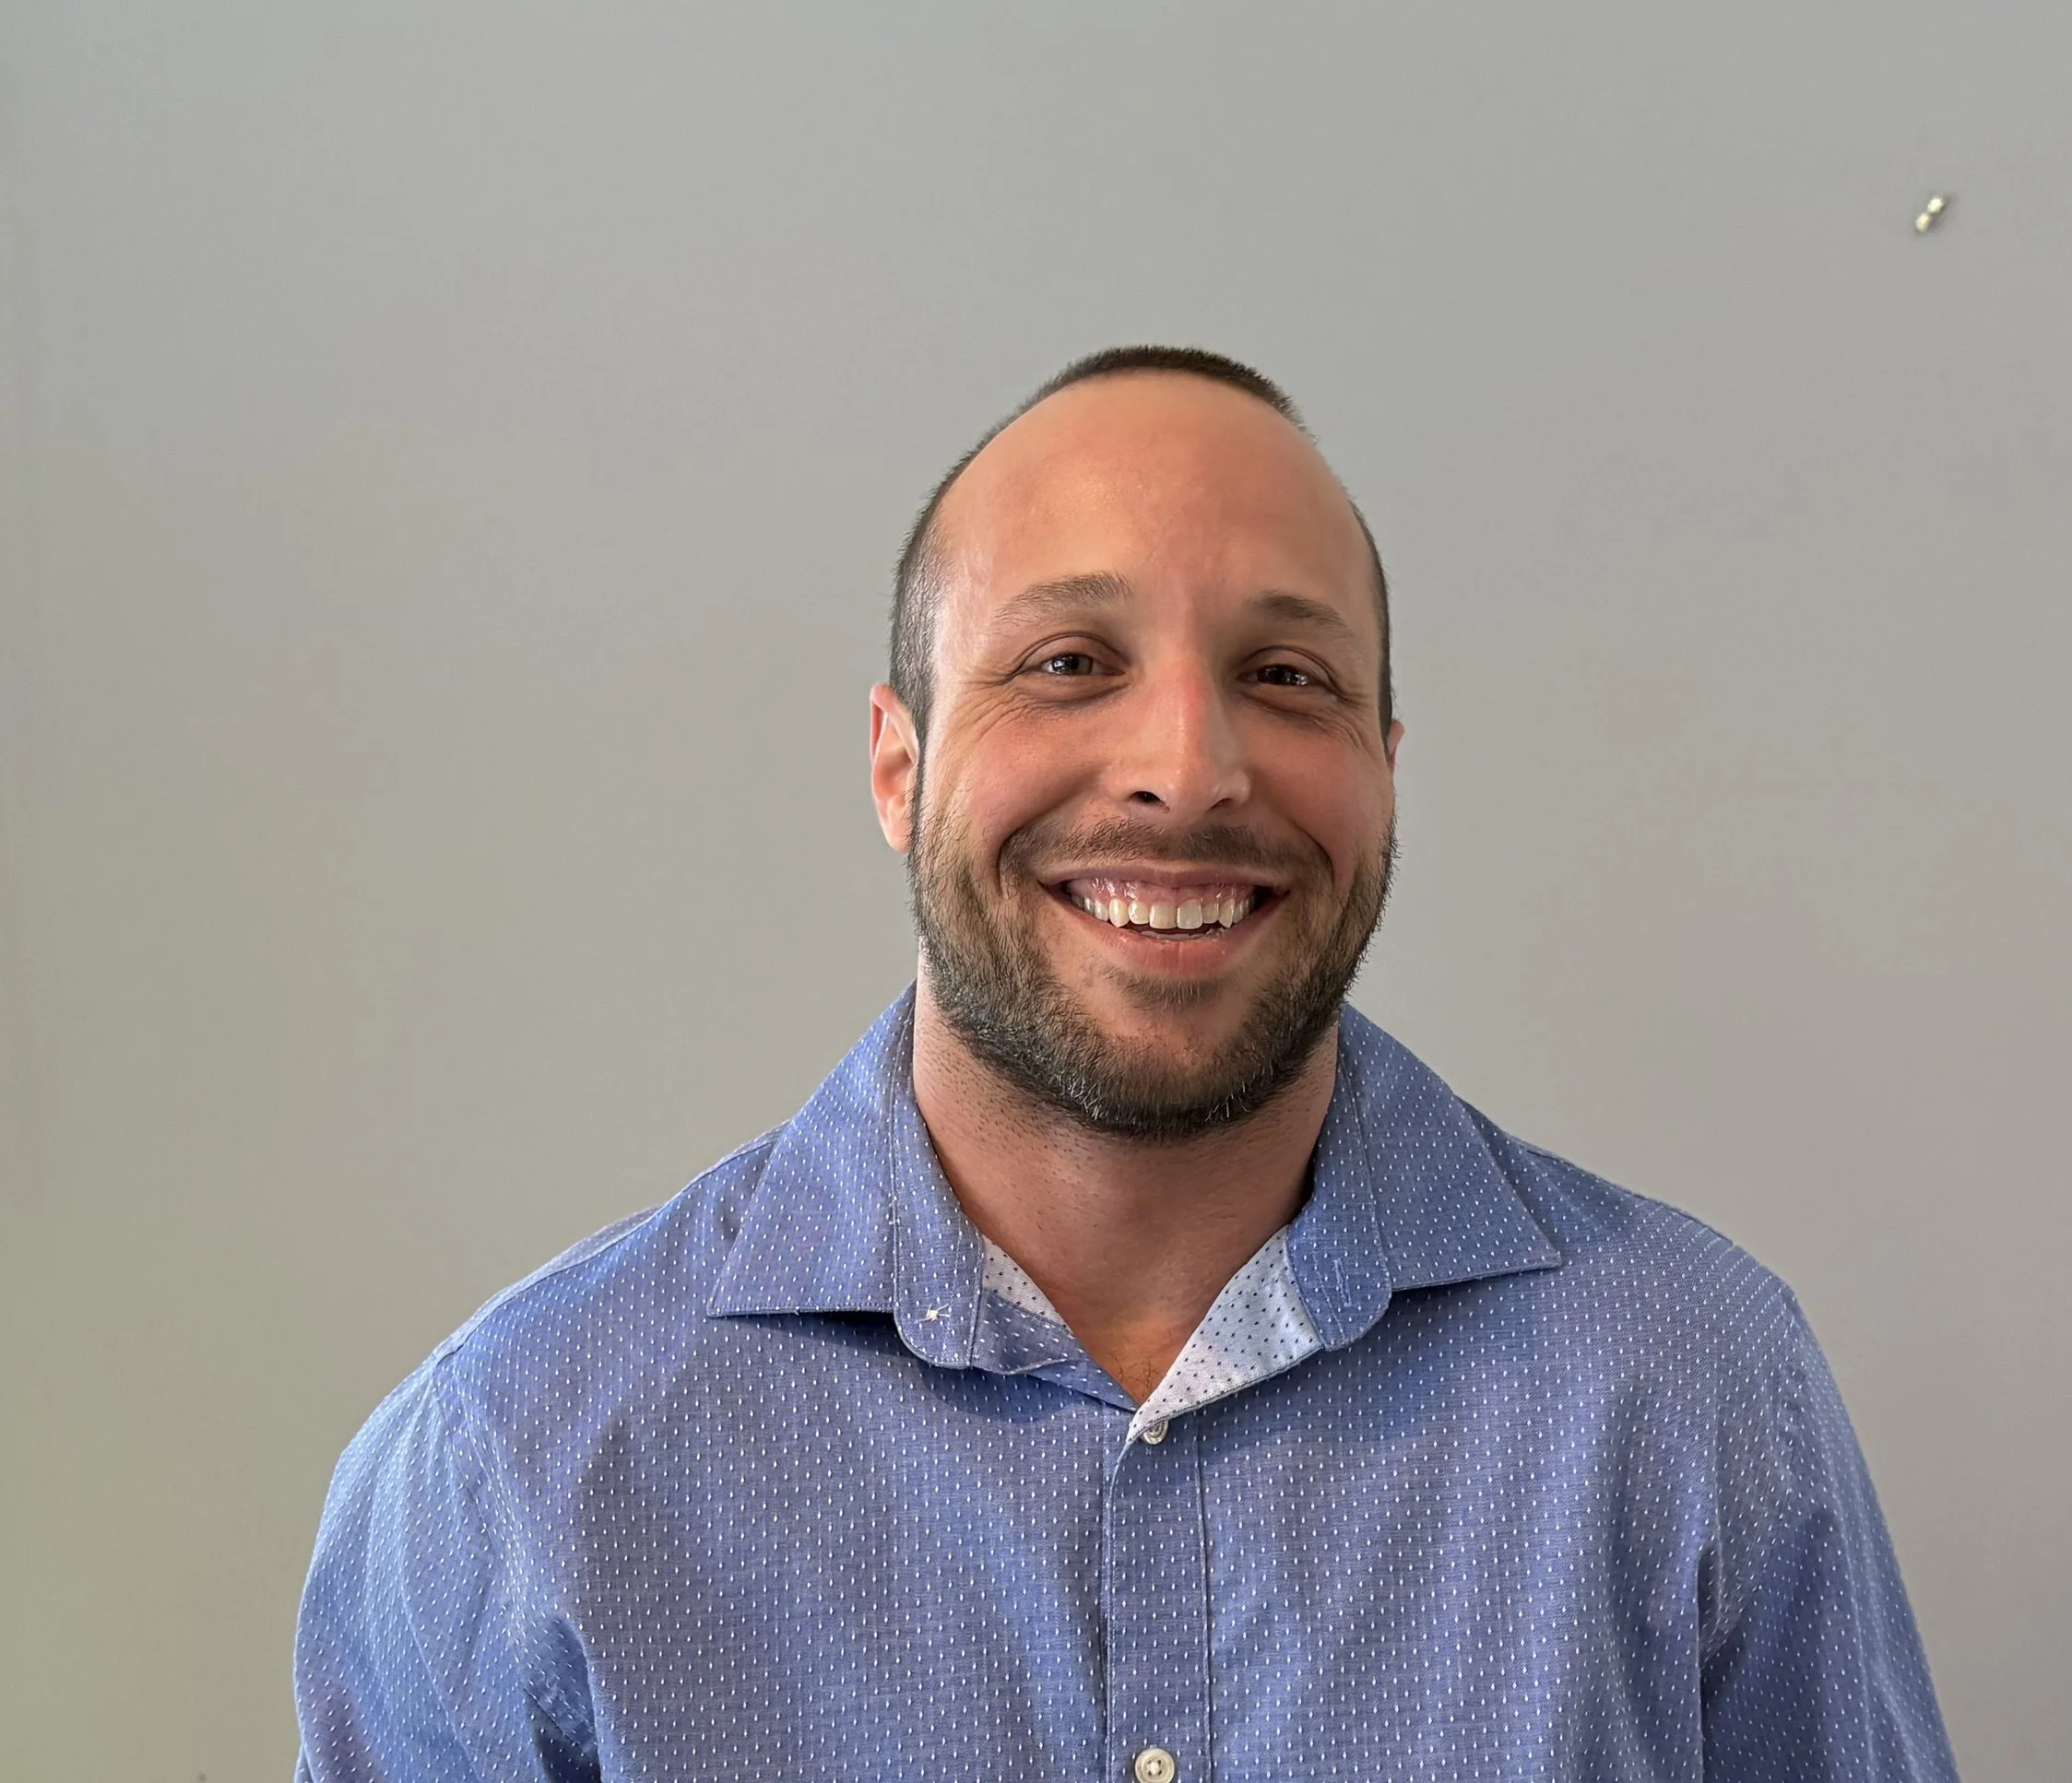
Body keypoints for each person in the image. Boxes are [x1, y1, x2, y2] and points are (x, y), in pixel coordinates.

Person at [293, 346, 1960, 1782]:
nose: (1186, 766)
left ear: (1385, 768)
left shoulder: (1693, 1389)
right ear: (899, 760)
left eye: (1287, 676)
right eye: (1070, 663)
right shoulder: (513, 1466)